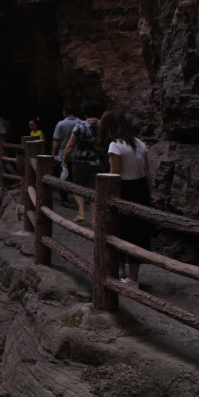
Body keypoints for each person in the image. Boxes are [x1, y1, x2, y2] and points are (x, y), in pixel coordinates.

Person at [99, 110, 152, 288]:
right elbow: (146, 171)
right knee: (137, 232)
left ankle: (127, 277)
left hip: (125, 189)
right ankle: (131, 277)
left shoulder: (116, 145)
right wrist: (150, 193)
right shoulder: (139, 143)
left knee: (122, 231)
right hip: (141, 188)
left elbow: (115, 173)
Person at [63, 101, 107, 224]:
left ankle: (81, 212)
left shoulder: (80, 126)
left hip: (80, 161)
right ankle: (94, 219)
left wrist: (65, 159)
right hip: (99, 161)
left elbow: (71, 144)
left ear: (84, 112)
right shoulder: (104, 125)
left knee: (78, 186)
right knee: (95, 190)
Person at [52, 104, 80, 207]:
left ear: (65, 112)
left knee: (62, 178)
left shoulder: (61, 124)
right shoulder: (81, 123)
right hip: (78, 155)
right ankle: (79, 200)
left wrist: (53, 155)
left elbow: (56, 140)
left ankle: (65, 200)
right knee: (77, 179)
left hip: (63, 154)